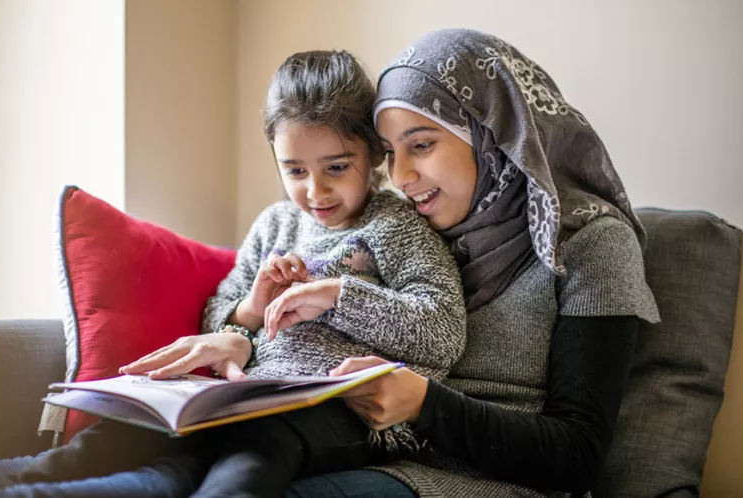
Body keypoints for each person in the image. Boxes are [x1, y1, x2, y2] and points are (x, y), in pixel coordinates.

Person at [122, 28, 662, 498]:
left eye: (421, 145)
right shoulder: (425, 223)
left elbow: (578, 455)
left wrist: (426, 405)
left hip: (482, 481)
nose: (400, 178)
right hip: (372, 450)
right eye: (390, 153)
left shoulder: (591, 245)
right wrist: (244, 331)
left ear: (491, 133)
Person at [0, 50, 466, 498]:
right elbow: (218, 314)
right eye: (294, 170)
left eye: (336, 169)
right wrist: (249, 308)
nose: (314, 192)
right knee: (102, 445)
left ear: (372, 154)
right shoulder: (274, 225)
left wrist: (337, 296)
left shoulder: (397, 227)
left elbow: (443, 331)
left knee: (244, 469)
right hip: (238, 398)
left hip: (332, 414)